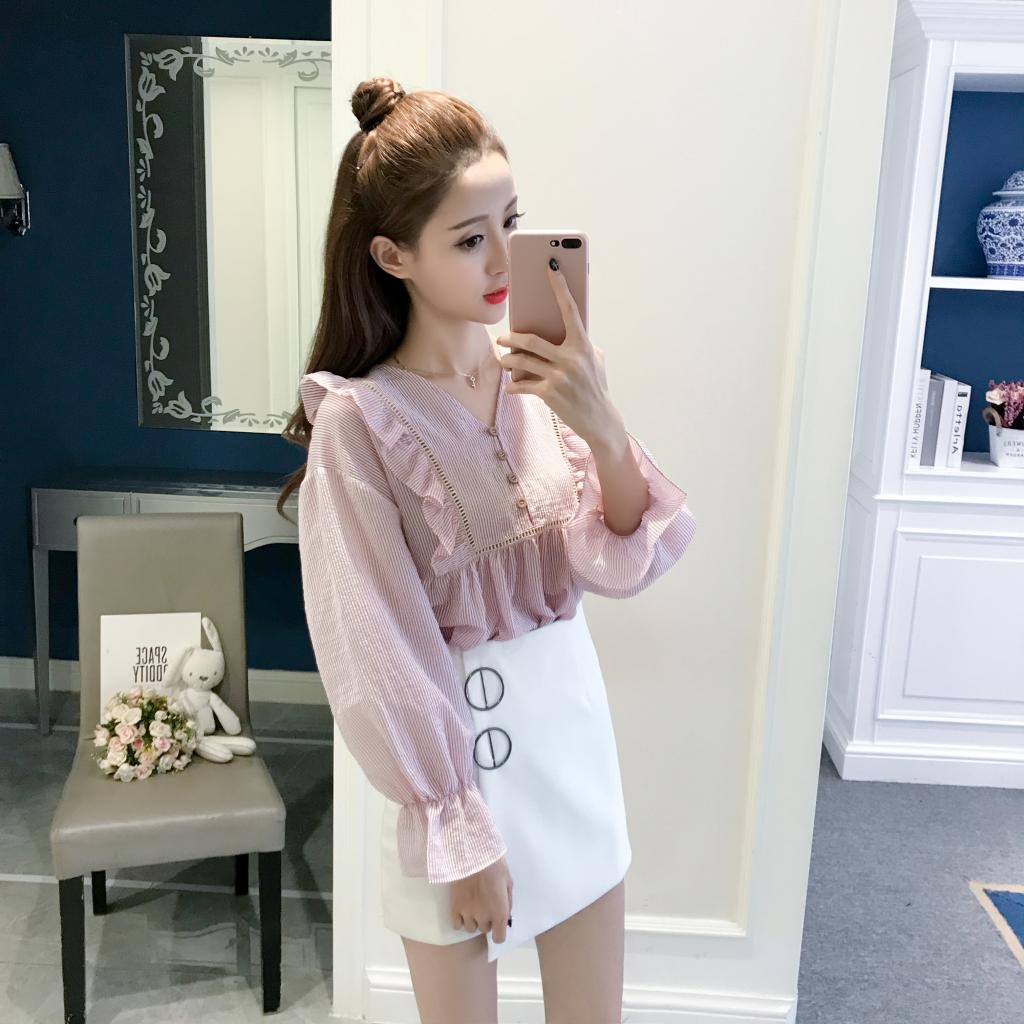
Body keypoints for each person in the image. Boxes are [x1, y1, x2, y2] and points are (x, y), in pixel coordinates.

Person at [277, 75, 697, 1024]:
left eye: (512, 222)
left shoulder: (545, 381)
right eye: (470, 239)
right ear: (393, 255)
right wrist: (460, 829)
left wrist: (602, 423)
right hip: (458, 774)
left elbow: (619, 556)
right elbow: (376, 648)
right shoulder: (359, 422)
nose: (505, 260)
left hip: (572, 740)